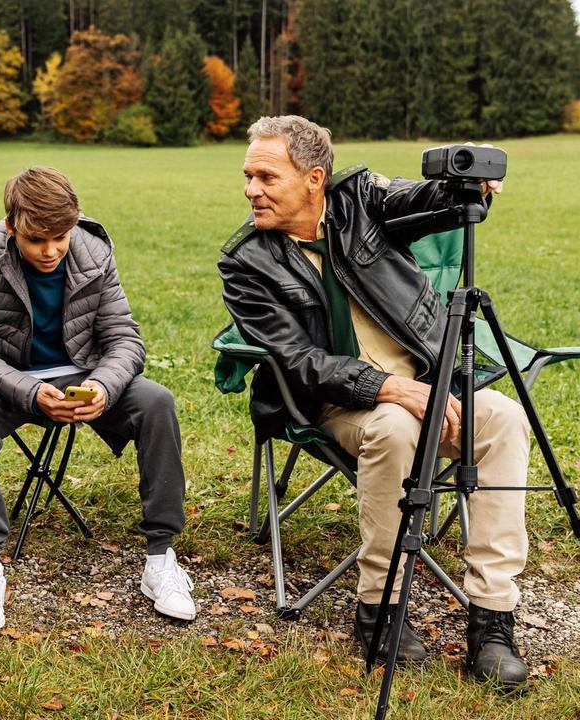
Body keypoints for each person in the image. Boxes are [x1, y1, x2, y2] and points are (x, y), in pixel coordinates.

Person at [218, 116, 529, 690]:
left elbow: (420, 201)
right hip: (335, 403)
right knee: (393, 426)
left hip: (423, 385)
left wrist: (468, 188)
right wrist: (388, 387)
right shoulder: (246, 263)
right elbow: (297, 360)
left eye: (266, 176)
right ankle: (380, 609)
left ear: (314, 179)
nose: (250, 190)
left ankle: (491, 619)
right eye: (248, 176)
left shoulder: (361, 199)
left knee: (504, 418)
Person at [0, 166, 195, 632]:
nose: (51, 250)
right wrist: (32, 392)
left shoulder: (94, 251)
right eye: (37, 239)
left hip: (84, 376)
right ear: (10, 226)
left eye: (61, 236)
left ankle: (161, 558)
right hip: (11, 382)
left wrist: (103, 386)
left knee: (157, 401)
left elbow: (125, 339)